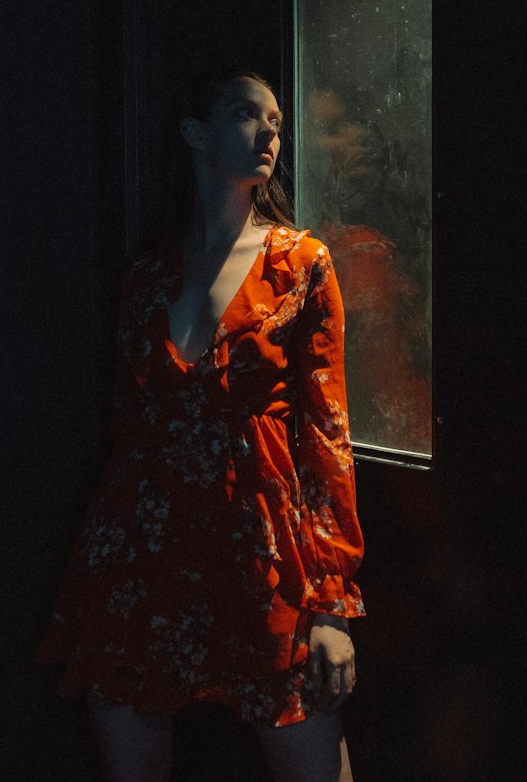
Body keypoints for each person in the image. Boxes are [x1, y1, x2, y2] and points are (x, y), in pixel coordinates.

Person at [38, 69, 365, 782]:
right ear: (196, 132)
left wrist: (332, 608)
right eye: (247, 114)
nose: (269, 132)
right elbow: (131, 426)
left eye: (277, 121)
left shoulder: (299, 263)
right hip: (143, 545)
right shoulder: (149, 277)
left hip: (261, 549)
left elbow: (327, 435)